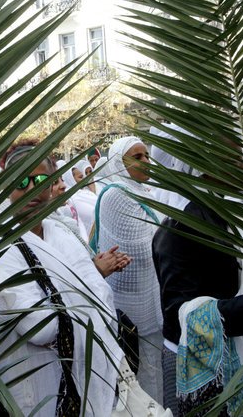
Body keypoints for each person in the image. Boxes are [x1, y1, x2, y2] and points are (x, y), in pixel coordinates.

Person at [0, 141, 124, 415]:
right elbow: (41, 328)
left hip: (88, 376)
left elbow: (103, 297)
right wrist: (81, 295)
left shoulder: (60, 233)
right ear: (6, 188)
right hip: (35, 386)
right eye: (21, 182)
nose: (31, 190)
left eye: (40, 181)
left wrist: (65, 301)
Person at [153, 166, 243, 415]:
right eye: (234, 158)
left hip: (231, 352)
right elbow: (178, 313)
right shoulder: (182, 224)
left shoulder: (220, 210)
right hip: (194, 363)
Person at [95, 136, 166, 402]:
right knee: (142, 370)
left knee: (155, 367)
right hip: (132, 301)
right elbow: (140, 251)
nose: (146, 161)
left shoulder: (143, 191)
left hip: (153, 292)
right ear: (118, 163)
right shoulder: (116, 195)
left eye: (147, 155)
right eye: (137, 157)